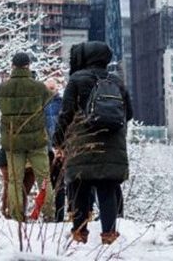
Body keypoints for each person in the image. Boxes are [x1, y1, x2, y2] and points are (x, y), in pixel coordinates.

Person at [54, 41, 132, 245]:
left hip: (82, 143)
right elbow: (129, 113)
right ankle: (109, 236)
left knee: (80, 186)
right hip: (112, 144)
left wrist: (59, 141)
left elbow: (66, 114)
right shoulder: (117, 81)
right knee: (107, 189)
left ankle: (79, 234)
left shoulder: (76, 80)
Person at [0, 52, 55, 221]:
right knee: (44, 179)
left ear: (12, 66)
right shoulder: (39, 87)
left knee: (14, 181)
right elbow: (48, 100)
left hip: (13, 141)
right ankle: (49, 214)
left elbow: (0, 104)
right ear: (28, 66)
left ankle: (16, 216)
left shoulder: (2, 89)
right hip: (36, 141)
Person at [43, 77, 67, 221]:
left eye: (53, 88)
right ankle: (49, 214)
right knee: (47, 182)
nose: (50, 91)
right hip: (45, 149)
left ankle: (59, 215)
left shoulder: (63, 104)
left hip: (60, 148)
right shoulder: (41, 104)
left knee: (60, 182)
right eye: (48, 88)